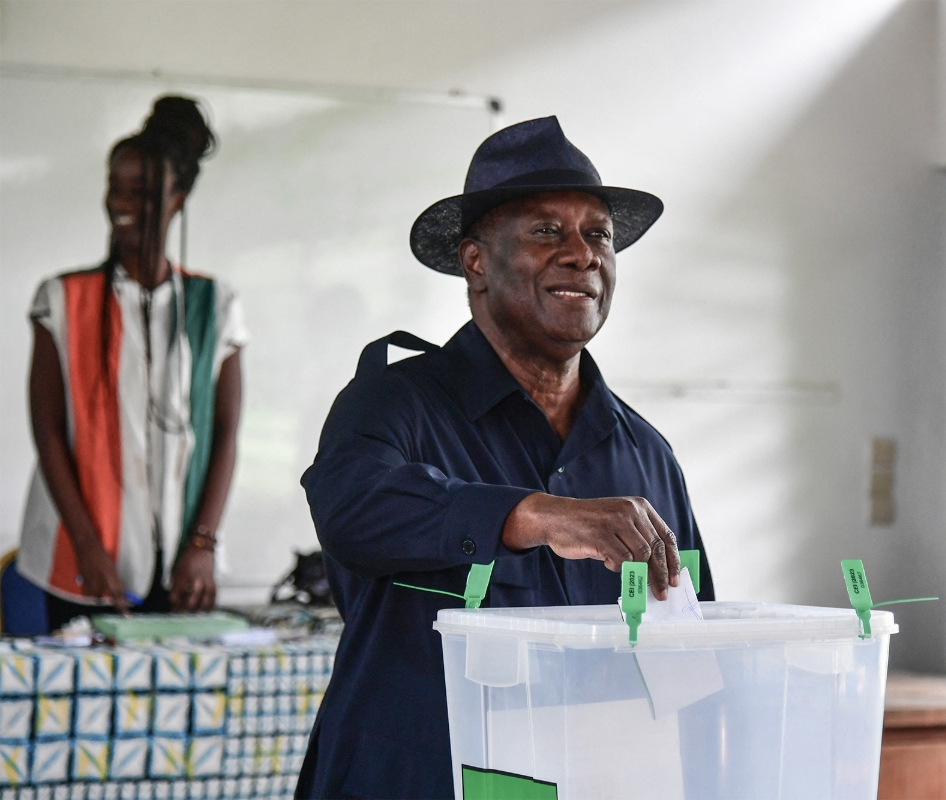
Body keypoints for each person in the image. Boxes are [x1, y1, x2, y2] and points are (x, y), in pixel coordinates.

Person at [298, 116, 714, 798]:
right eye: (547, 231)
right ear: (476, 262)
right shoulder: (393, 404)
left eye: (598, 234)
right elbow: (350, 507)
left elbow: (690, 669)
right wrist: (533, 516)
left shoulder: (646, 456)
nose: (582, 253)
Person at [19, 96, 248, 631]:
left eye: (141, 192)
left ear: (178, 199)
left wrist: (202, 544)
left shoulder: (216, 304)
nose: (122, 204)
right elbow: (48, 433)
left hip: (183, 565)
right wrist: (86, 550)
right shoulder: (61, 299)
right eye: (115, 188)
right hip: (79, 561)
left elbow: (227, 432)